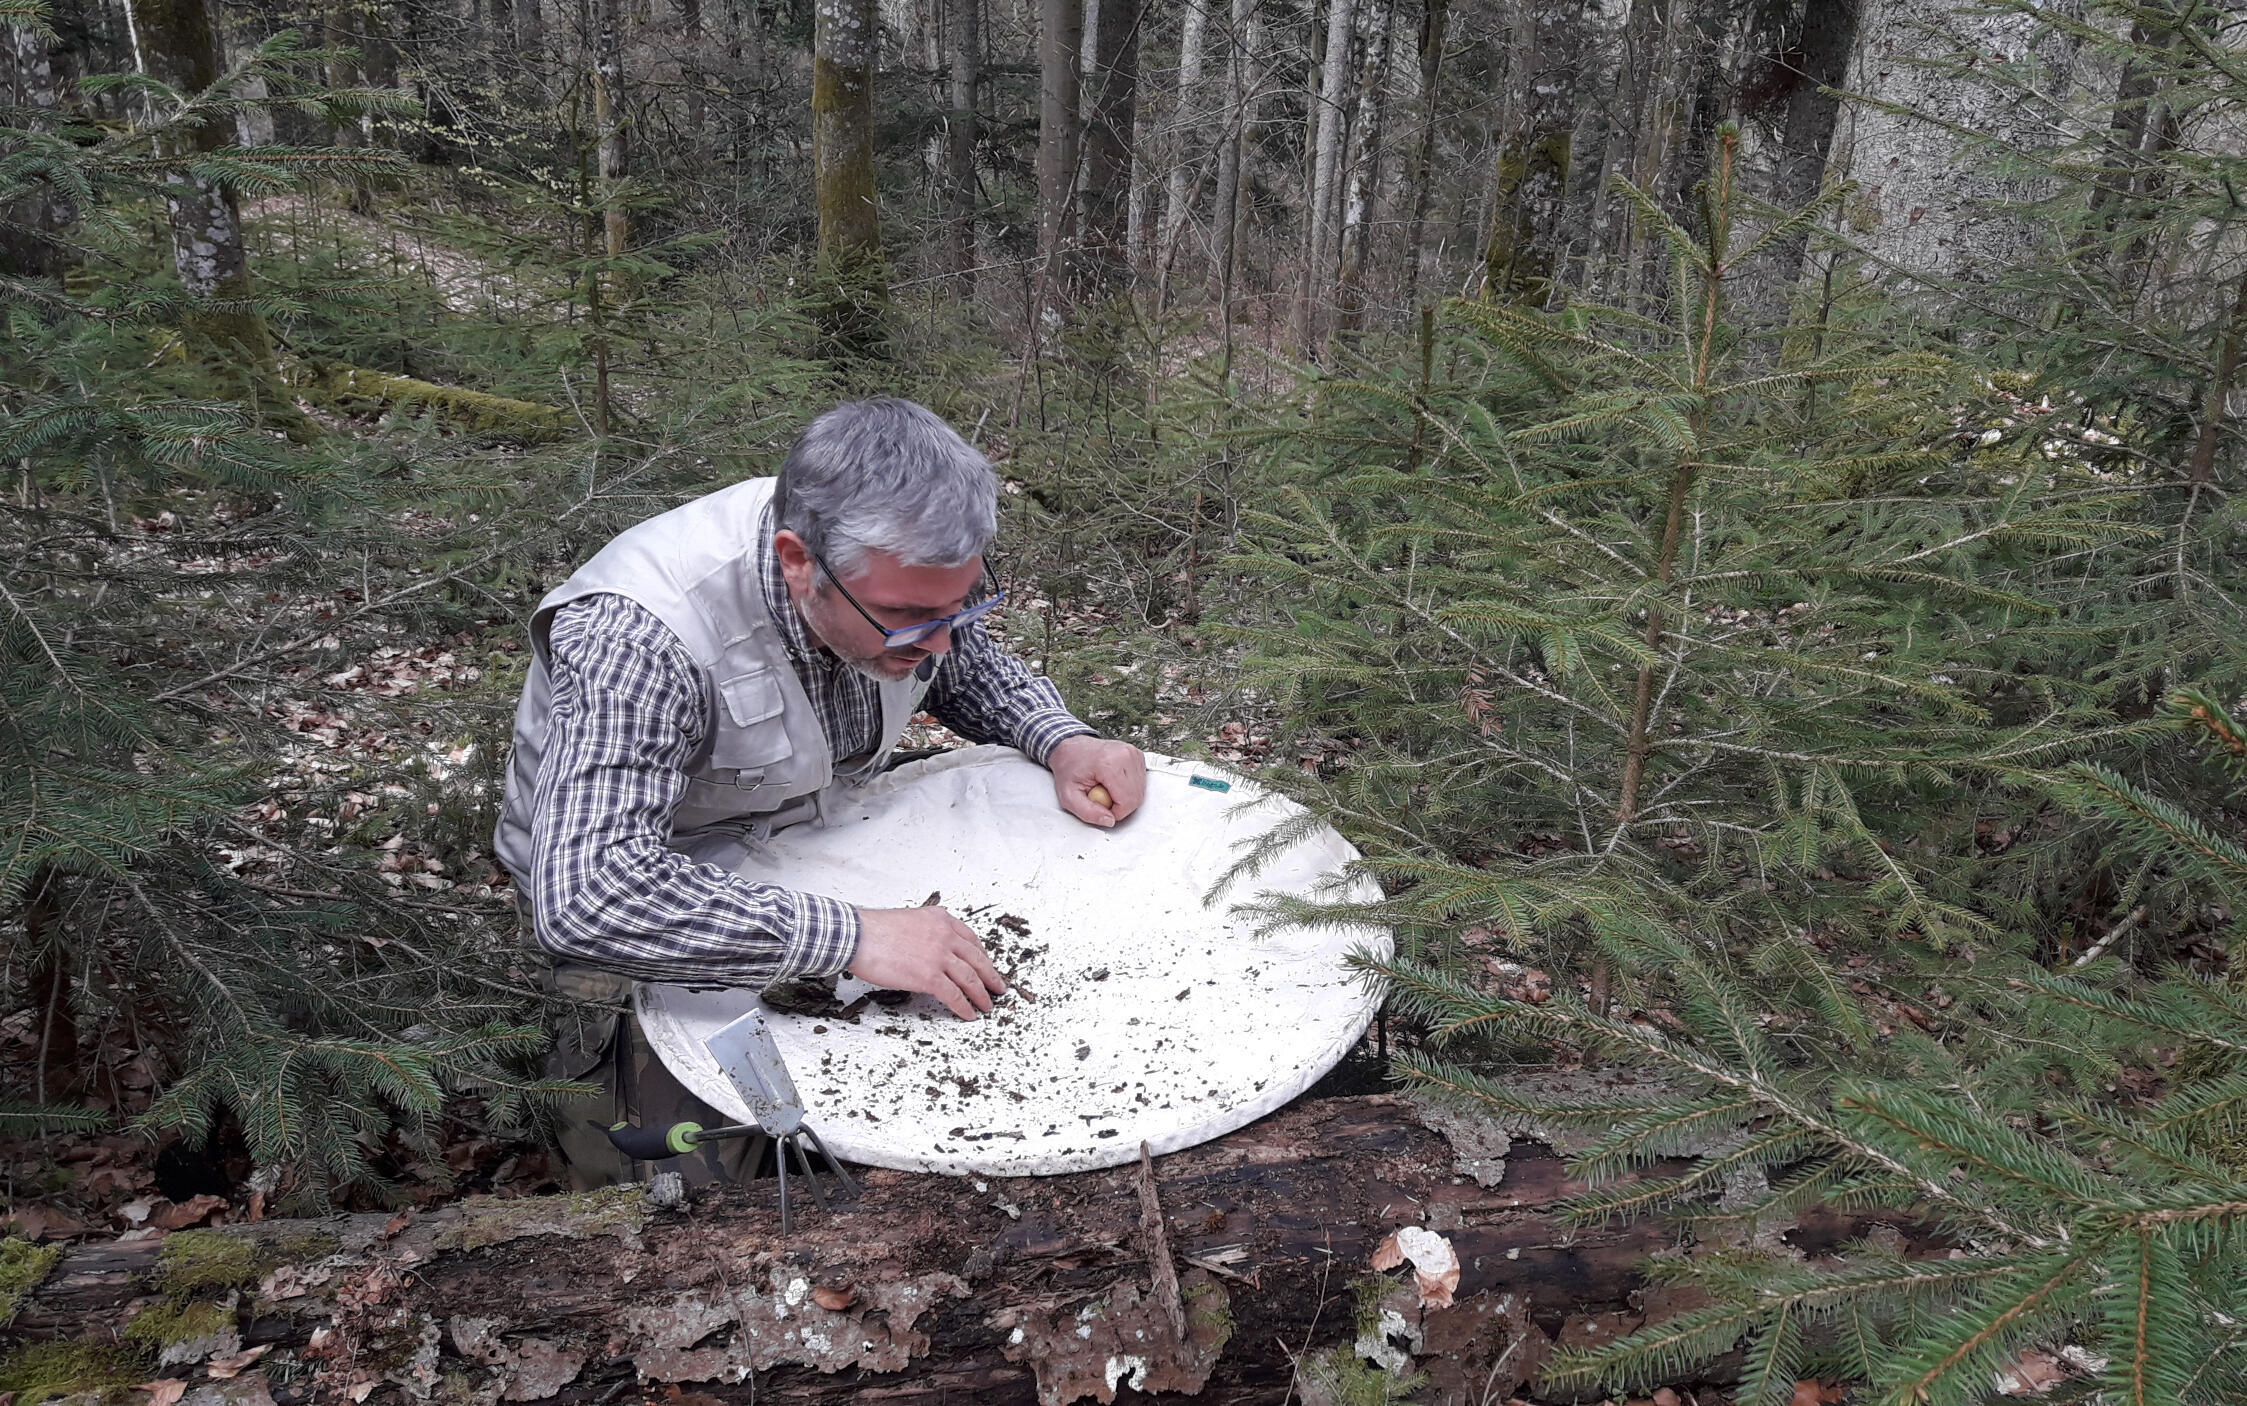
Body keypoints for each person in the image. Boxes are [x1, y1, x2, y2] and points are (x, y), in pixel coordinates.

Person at [493, 398, 1146, 1184]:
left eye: (959, 605)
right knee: (676, 1183)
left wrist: (1060, 736)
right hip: (649, 913)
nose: (937, 640)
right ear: (796, 559)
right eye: (907, 618)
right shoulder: (638, 634)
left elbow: (961, 662)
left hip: (804, 848)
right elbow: (590, 898)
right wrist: (856, 939)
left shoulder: (884, 567)